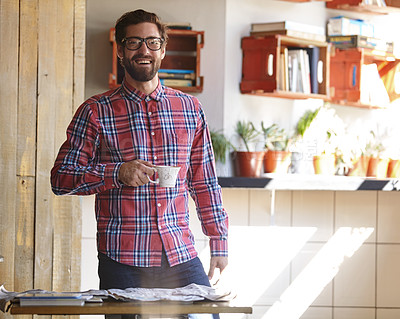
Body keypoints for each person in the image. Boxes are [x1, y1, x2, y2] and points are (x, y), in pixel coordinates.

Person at [50, 8, 228, 318]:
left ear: (163, 48)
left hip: (180, 254)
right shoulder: (94, 111)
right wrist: (117, 172)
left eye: (152, 42)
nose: (143, 50)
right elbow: (61, 178)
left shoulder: (189, 109)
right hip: (123, 260)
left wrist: (219, 241)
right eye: (133, 42)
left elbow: (204, 182)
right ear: (120, 50)